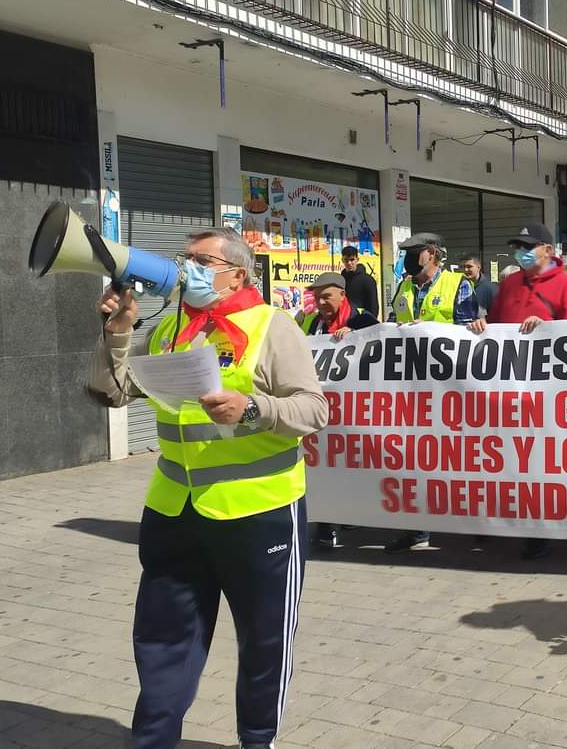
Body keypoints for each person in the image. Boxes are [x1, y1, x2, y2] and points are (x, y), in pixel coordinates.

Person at [89, 228, 329, 749]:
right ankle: (153, 740)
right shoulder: (172, 327)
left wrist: (253, 408)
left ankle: (256, 740)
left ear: (236, 275)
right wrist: (119, 330)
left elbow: (314, 410)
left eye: (201, 260)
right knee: (163, 640)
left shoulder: (272, 325)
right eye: (185, 258)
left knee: (264, 642)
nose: (186, 268)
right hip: (174, 512)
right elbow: (111, 393)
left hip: (259, 512)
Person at [468, 222, 567, 560]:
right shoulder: (511, 282)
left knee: (536, 460)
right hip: (507, 384)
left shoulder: (564, 285)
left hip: (544, 390)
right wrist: (482, 326)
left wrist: (549, 329)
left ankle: (538, 531)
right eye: (518, 245)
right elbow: (499, 325)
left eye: (528, 245)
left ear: (548, 250)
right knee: (500, 454)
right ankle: (495, 519)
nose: (522, 251)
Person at [386, 232, 478, 553]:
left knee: (453, 456)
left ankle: (467, 518)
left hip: (447, 388)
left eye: (411, 253)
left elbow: (468, 335)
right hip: (410, 388)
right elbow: (388, 328)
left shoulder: (457, 284)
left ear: (428, 254)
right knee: (412, 459)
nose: (406, 260)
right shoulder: (404, 287)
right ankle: (416, 527)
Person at [297, 273, 380, 549]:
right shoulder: (311, 321)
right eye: (317, 297)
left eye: (327, 296)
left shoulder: (361, 319)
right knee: (324, 463)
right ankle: (327, 526)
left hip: (352, 411)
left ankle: (342, 518)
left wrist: (357, 336)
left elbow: (383, 349)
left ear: (343, 295)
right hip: (318, 407)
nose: (321, 302)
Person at [340, 245, 379, 318]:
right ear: (342, 260)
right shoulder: (341, 280)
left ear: (357, 259)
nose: (349, 263)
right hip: (343, 322)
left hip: (361, 322)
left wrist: (369, 324)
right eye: (346, 260)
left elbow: (373, 308)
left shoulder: (367, 280)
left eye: (352, 260)